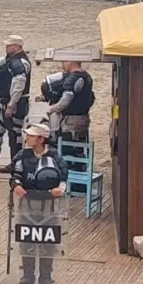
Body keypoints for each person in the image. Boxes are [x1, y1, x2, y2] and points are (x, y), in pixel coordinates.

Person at [9, 123, 68, 284]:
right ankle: (27, 275)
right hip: (27, 204)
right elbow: (15, 174)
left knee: (48, 241)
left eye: (31, 135)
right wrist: (16, 185)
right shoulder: (23, 155)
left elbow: (64, 176)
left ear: (41, 139)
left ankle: (46, 276)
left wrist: (60, 189)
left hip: (49, 205)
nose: (27, 138)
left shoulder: (55, 157)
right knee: (26, 239)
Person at [45, 61, 95, 194]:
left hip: (70, 122)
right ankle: (79, 185)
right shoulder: (87, 77)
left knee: (67, 151)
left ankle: (71, 186)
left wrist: (52, 109)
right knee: (78, 150)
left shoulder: (73, 77)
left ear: (70, 61)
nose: (62, 64)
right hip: (83, 119)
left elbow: (66, 99)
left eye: (63, 61)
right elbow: (91, 98)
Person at [0, 35, 31, 165]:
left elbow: (18, 85)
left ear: (17, 46)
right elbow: (5, 77)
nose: (6, 47)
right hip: (4, 102)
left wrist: (11, 104)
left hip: (16, 104)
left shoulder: (21, 63)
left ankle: (16, 165)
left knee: (15, 134)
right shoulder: (10, 60)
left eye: (9, 45)